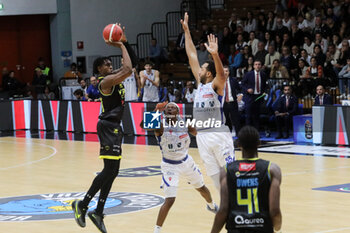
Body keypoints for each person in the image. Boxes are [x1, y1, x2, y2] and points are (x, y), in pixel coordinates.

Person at [72, 24, 136, 233]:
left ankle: (98, 211)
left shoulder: (113, 75)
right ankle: (83, 204)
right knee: (109, 170)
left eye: (110, 63)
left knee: (113, 171)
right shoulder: (105, 82)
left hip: (114, 126)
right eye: (106, 64)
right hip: (108, 126)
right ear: (99, 69)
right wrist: (119, 45)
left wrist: (125, 42)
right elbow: (127, 69)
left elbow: (131, 64)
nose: (110, 65)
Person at [141, 102, 218, 233]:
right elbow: (143, 125)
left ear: (177, 112)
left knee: (201, 188)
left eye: (173, 108)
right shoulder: (160, 126)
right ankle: (157, 230)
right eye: (168, 108)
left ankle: (211, 206)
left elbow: (200, 134)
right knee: (170, 199)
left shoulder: (185, 124)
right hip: (169, 165)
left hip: (186, 162)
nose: (170, 109)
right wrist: (155, 110)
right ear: (165, 112)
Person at [181, 12, 235, 191]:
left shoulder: (216, 85)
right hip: (202, 136)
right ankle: (226, 212)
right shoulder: (200, 85)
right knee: (216, 180)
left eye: (203, 69)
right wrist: (187, 32)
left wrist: (215, 55)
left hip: (218, 135)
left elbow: (221, 73)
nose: (199, 70)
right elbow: (192, 55)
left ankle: (241, 209)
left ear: (209, 73)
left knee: (230, 176)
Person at [211, 126, 282, 233]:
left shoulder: (226, 170)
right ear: (259, 143)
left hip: (236, 228)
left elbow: (223, 210)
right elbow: (275, 211)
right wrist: (277, 228)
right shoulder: (271, 169)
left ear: (238, 145)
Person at [242, 60, 267, 130]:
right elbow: (242, 84)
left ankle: (256, 132)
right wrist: (247, 89)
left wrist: (264, 92)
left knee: (257, 116)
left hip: (259, 97)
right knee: (248, 115)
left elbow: (264, 85)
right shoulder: (248, 74)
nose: (257, 66)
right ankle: (248, 131)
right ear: (253, 66)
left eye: (259, 64)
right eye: (256, 64)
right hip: (250, 97)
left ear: (261, 66)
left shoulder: (263, 74)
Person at [223, 65, 241, 136]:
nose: (225, 73)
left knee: (236, 119)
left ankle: (238, 135)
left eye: (226, 71)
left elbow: (240, 88)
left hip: (233, 102)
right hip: (224, 103)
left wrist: (241, 95)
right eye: (224, 71)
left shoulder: (233, 80)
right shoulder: (219, 81)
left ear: (229, 72)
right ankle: (228, 134)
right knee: (226, 120)